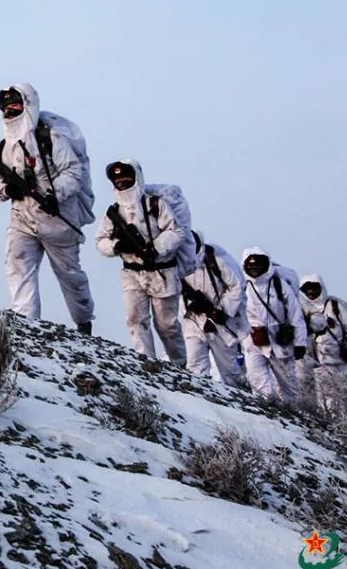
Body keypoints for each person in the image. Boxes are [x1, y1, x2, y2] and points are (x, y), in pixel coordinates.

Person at [0, 84, 95, 334]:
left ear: (28, 105)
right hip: (22, 218)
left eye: (15, 104)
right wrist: (5, 190)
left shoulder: (51, 139)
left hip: (58, 220)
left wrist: (54, 195)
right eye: (5, 106)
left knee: (71, 277)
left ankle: (83, 321)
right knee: (16, 261)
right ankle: (25, 321)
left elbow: (73, 171)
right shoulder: (3, 147)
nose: (9, 111)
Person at [95, 160, 187, 364]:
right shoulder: (113, 212)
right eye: (117, 178)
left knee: (167, 325)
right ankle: (146, 363)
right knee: (135, 319)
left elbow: (177, 231)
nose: (121, 182)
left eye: (126, 177)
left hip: (161, 271)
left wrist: (155, 248)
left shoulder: (155, 204)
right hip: (131, 273)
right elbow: (100, 240)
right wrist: (117, 246)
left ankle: (181, 364)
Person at [179, 231, 248, 387]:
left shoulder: (216, 259)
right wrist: (188, 307)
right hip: (193, 321)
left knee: (230, 372)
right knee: (195, 365)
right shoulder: (177, 263)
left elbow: (237, 287)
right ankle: (202, 402)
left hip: (220, 320)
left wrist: (221, 310)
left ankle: (243, 405)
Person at [240, 248, 306, 404]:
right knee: (256, 375)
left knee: (288, 383)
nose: (254, 269)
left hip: (279, 339)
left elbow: (296, 314)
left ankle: (293, 414)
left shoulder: (278, 285)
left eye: (258, 265)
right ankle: (267, 407)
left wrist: (300, 343)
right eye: (251, 266)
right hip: (253, 338)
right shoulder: (243, 285)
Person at [298, 275, 347, 412]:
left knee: (344, 386)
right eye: (307, 289)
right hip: (312, 355)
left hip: (338, 355)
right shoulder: (300, 308)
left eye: (314, 288)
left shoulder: (335, 305)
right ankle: (326, 415)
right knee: (323, 389)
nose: (311, 292)